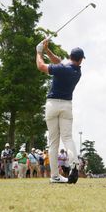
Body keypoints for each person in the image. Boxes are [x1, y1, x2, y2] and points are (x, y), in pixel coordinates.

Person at [36, 39, 83, 184]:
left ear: (69, 56)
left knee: (53, 142)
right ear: (80, 60)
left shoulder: (62, 68)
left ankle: (55, 176)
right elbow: (57, 61)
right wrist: (47, 49)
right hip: (67, 106)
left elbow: (41, 66)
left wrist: (38, 52)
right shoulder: (76, 71)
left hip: (52, 104)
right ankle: (74, 163)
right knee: (67, 138)